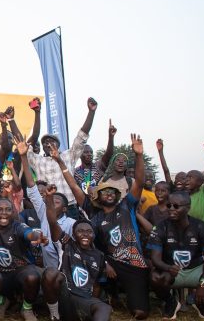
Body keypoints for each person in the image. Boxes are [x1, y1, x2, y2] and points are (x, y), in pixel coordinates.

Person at [64, 134, 149, 319]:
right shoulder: (94, 214)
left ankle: (126, 294)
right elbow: (74, 187)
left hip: (134, 262)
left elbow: (140, 182)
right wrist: (59, 162)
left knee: (140, 313)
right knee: (94, 261)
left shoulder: (127, 206)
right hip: (109, 262)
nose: (109, 194)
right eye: (104, 192)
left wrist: (139, 155)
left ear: (117, 196)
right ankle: (106, 295)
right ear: (98, 197)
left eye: (112, 191)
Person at [41, 186, 111, 321]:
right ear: (74, 234)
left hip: (83, 298)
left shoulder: (99, 256)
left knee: (105, 308)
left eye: (89, 232)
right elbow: (52, 221)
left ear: (94, 235)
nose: (85, 234)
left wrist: (90, 306)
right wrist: (49, 198)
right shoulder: (67, 244)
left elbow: (96, 285)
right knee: (51, 273)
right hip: (65, 294)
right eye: (80, 231)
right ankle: (55, 315)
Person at [27, 97, 97, 217]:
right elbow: (31, 140)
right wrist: (37, 113)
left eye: (51, 141)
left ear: (58, 145)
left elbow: (82, 136)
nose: (48, 144)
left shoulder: (69, 155)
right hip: (47, 208)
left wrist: (91, 112)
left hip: (69, 208)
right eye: (45, 142)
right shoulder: (37, 160)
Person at [0, 197, 46, 321]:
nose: (4, 213)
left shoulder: (18, 226)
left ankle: (27, 308)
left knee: (32, 277)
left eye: (8, 209)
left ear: (13, 212)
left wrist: (36, 236)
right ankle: (1, 302)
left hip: (18, 271)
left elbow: (29, 233)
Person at [17, 135, 75, 269]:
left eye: (57, 202)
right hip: (50, 272)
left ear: (65, 209)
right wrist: (24, 157)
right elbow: (31, 186)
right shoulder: (43, 212)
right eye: (51, 200)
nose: (53, 202)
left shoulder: (71, 224)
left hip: (68, 272)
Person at [148, 191, 204, 319]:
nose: (171, 209)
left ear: (188, 208)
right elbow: (155, 259)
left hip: (196, 270)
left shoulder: (200, 226)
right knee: (155, 277)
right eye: (169, 205)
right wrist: (168, 267)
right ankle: (172, 302)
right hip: (172, 271)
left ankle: (200, 303)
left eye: (176, 206)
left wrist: (203, 284)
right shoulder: (160, 227)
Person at [73, 119, 116, 193]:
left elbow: (109, 154)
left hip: (99, 199)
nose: (89, 154)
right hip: (83, 200)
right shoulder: (75, 172)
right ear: (80, 155)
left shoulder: (98, 166)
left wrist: (111, 137)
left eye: (91, 152)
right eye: (86, 152)